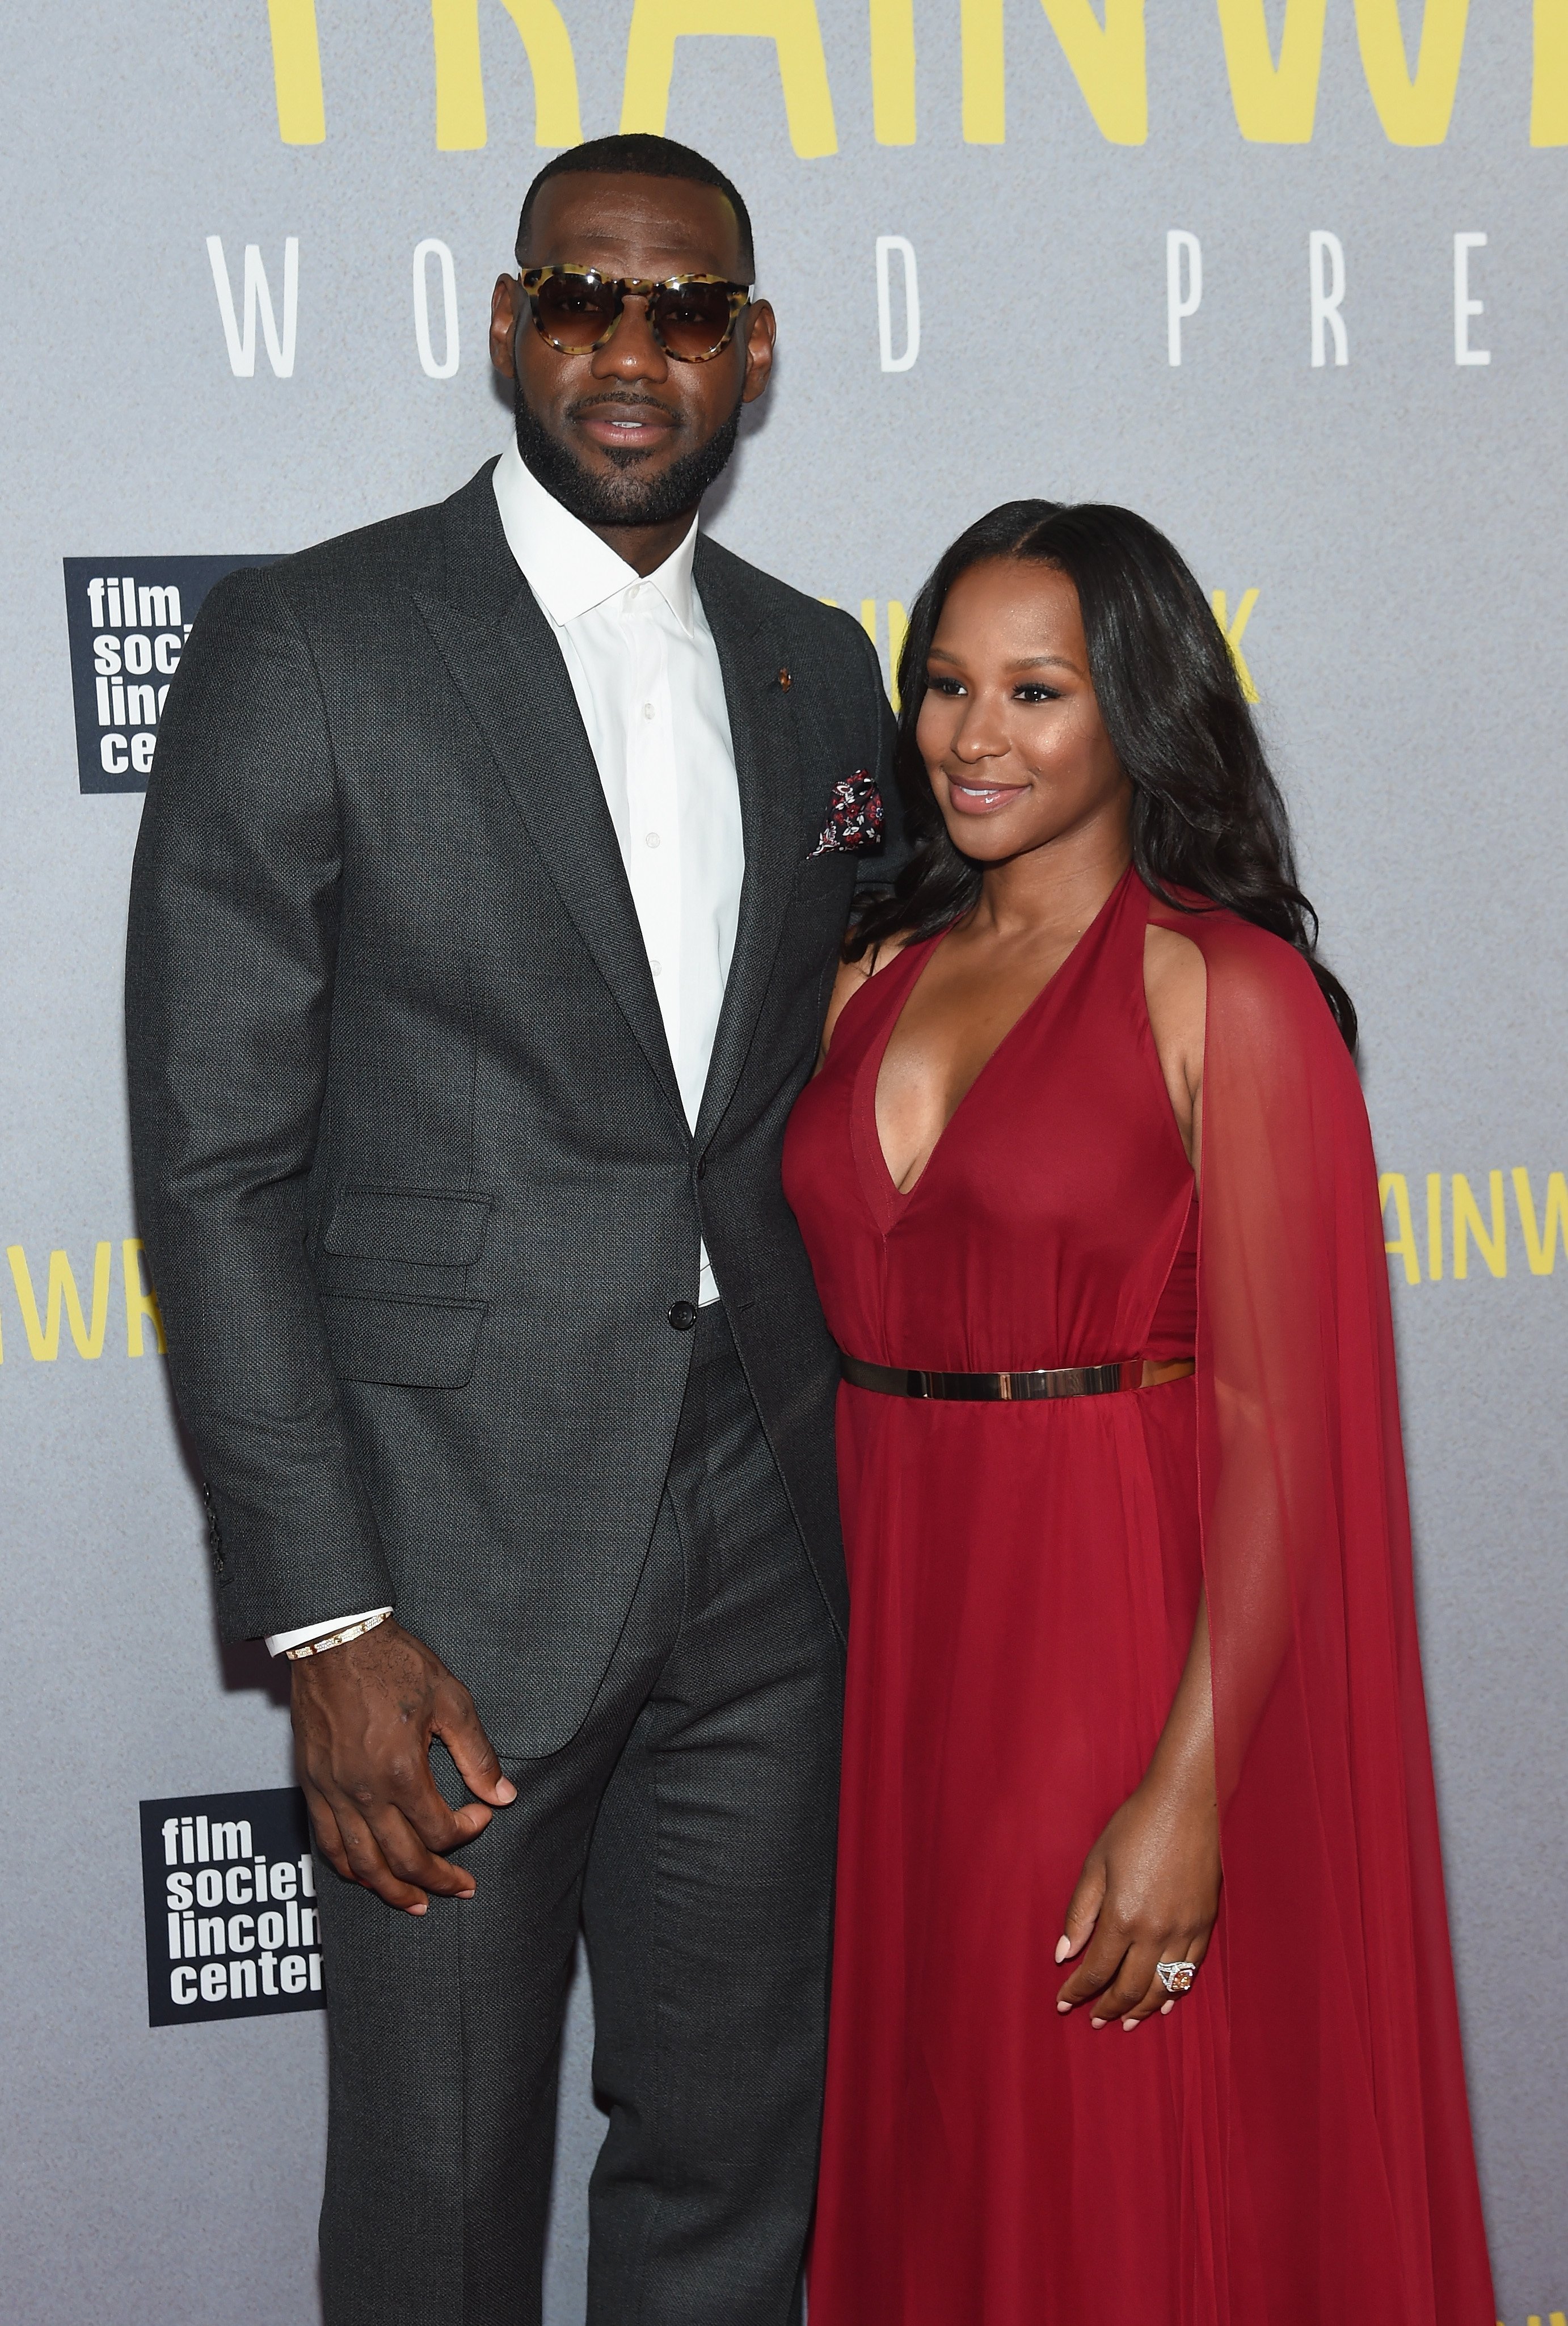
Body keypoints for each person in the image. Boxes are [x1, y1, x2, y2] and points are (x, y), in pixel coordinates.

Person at [125, 133, 895, 2326]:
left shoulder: (821, 671)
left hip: (768, 1535)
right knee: (439, 2205)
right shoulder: (317, 639)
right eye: (579, 298)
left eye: (681, 309)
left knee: (736, 2170)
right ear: (503, 326)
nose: (626, 352)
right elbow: (216, 1166)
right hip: (442, 1575)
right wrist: (321, 1620)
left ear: (751, 350)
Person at [785, 501, 1496, 2324]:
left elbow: (1280, 1435)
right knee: (944, 2140)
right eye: (944, 684)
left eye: (1037, 689)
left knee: (1100, 2138)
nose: (970, 735)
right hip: (895, 1647)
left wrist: (1185, 1787)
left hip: (1104, 1628)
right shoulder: (869, 979)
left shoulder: (1222, 993)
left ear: (1139, 712)